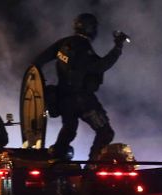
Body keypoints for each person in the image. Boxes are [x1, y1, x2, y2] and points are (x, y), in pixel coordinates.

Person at [33, 13, 128, 161]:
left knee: (68, 130)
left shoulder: (63, 44)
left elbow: (38, 61)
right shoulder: (84, 48)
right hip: (83, 100)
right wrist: (117, 47)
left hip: (64, 99)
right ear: (91, 28)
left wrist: (40, 86)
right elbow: (101, 66)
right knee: (105, 132)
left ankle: (55, 162)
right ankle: (92, 167)